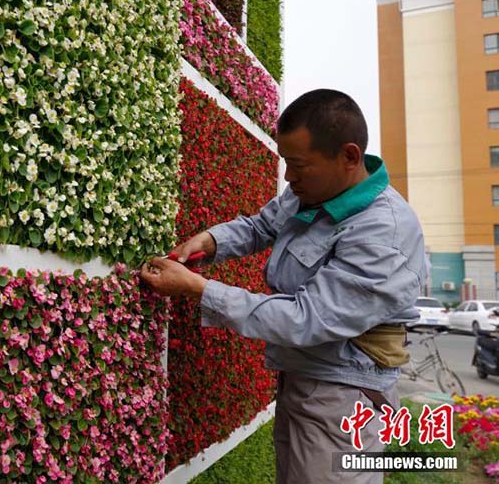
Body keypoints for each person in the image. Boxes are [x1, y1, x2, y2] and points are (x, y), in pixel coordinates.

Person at [141, 89, 427, 484]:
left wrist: (198, 289)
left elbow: (305, 319)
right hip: (306, 377)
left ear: (348, 157)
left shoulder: (383, 232)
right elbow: (261, 226)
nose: (289, 177)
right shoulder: (313, 191)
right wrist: (209, 241)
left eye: (298, 165)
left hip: (344, 398)